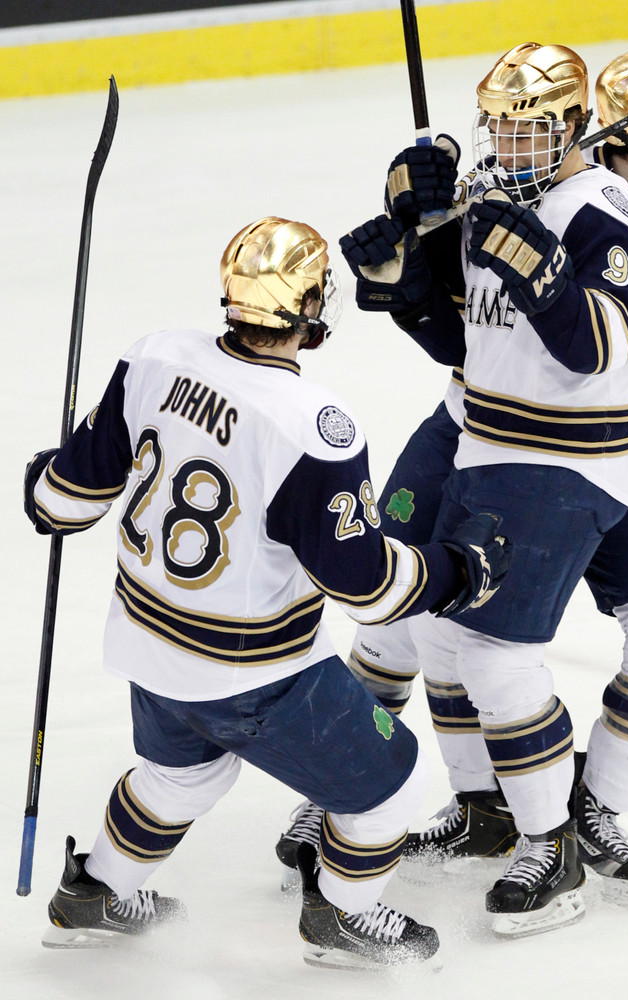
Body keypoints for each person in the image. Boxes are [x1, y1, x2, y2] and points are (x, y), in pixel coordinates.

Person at [278, 45, 628, 918]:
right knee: (402, 614)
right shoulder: (521, 189)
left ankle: (583, 812)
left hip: (618, 445)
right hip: (477, 425)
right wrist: (414, 227)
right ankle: (441, 802)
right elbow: (462, 328)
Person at [23, 216, 511, 969]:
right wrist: (459, 570)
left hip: (147, 647)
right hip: (250, 673)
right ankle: (344, 918)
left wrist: (43, 474)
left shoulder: (153, 357)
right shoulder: (312, 425)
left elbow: (61, 503)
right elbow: (367, 591)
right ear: (309, 308)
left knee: (181, 775)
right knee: (394, 787)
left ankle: (97, 893)